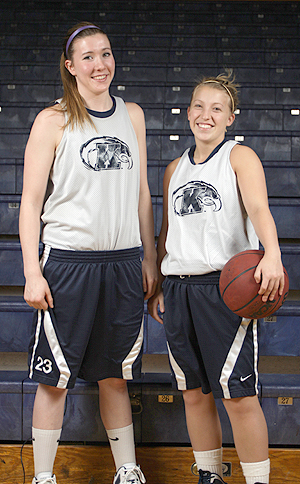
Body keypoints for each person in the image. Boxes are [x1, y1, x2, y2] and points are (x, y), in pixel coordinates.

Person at [19, 21, 157, 484]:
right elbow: (30, 204)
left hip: (122, 263)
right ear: (70, 66)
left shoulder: (132, 115)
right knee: (53, 379)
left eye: (106, 53)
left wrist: (149, 257)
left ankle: (128, 470)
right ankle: (43, 476)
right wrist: (32, 271)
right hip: (68, 264)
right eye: (88, 57)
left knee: (115, 376)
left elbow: (141, 194)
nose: (100, 64)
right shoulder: (52, 120)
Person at [148, 73, 285, 484]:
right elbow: (166, 232)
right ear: (188, 112)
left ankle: (257, 481)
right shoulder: (175, 168)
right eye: (199, 106)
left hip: (224, 291)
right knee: (194, 392)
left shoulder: (239, 157)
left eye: (217, 108)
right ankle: (209, 476)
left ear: (230, 118)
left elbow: (259, 209)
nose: (206, 115)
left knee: (238, 396)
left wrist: (272, 253)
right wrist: (157, 283)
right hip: (178, 288)